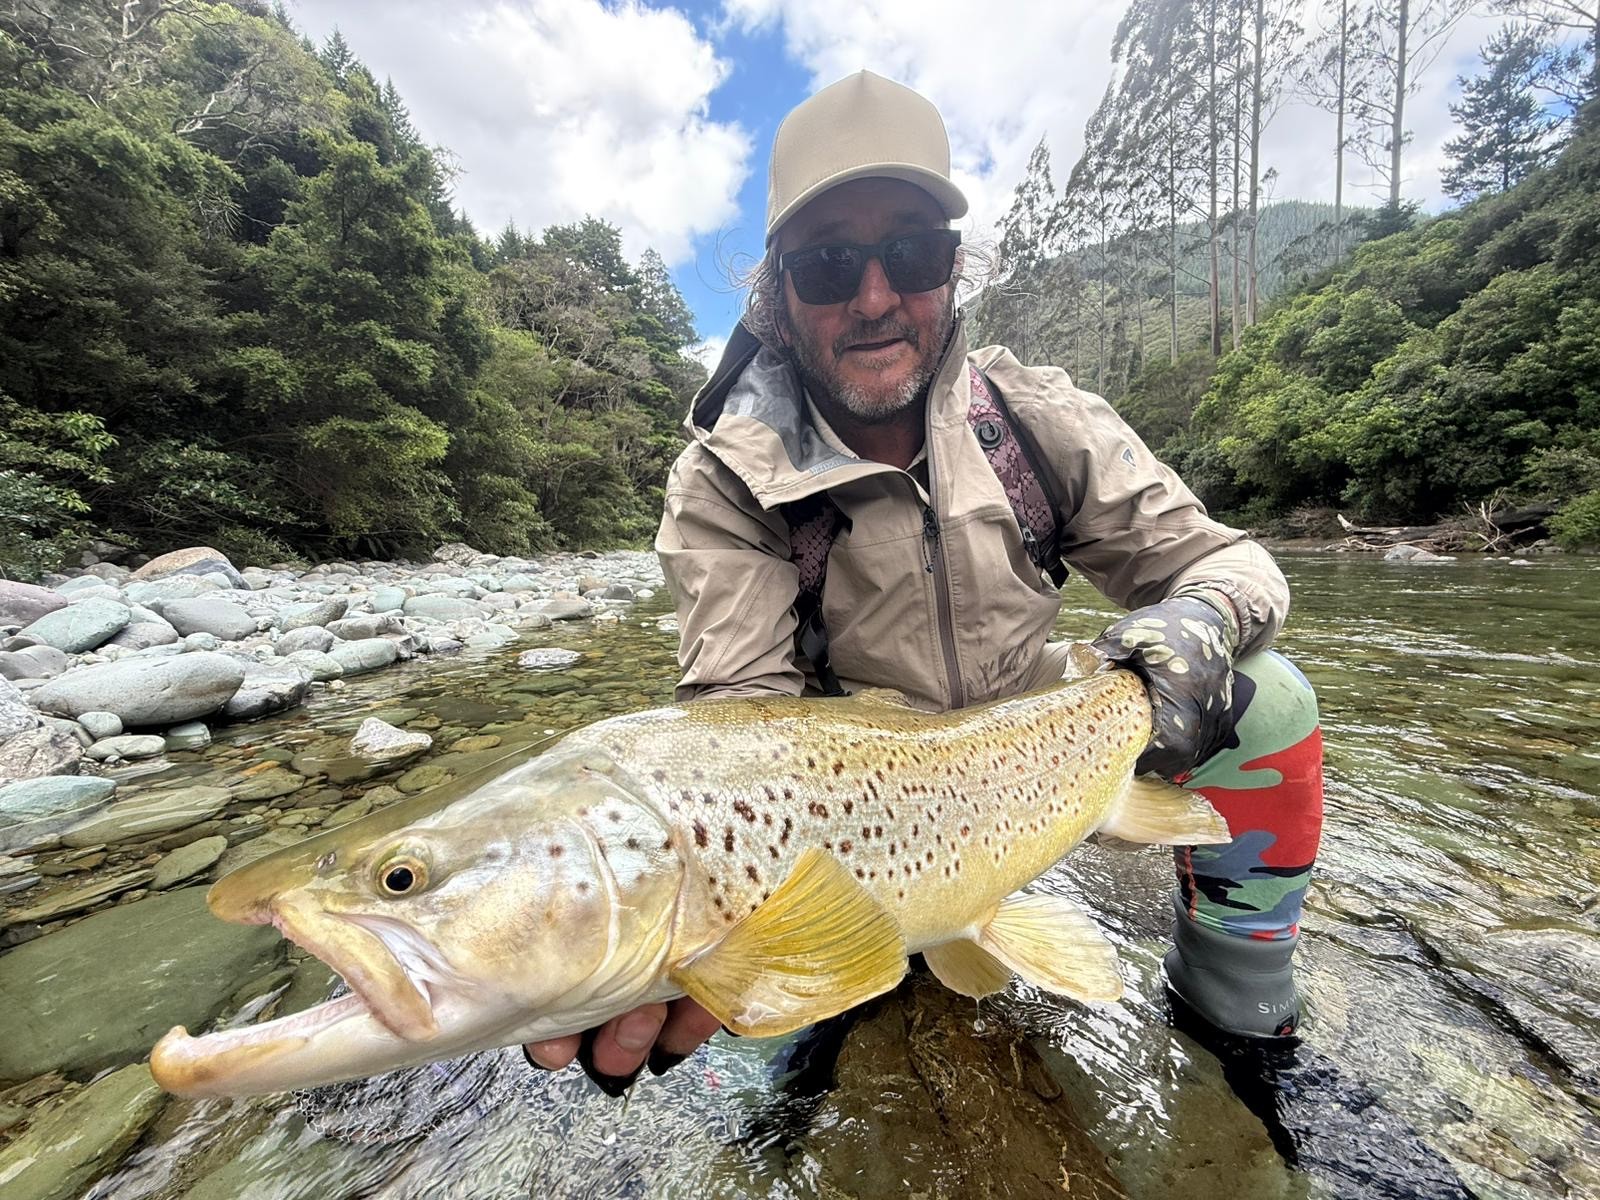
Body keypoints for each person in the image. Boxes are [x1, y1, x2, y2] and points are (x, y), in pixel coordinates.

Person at [525, 69, 1324, 1099]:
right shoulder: (726, 478)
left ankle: (1243, 1017)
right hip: (843, 814)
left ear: (952, 267)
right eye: (826, 266)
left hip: (1031, 746)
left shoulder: (1038, 421)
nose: (873, 298)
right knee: (759, 1033)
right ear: (775, 286)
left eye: (908, 253)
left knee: (1272, 700)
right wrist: (677, 912)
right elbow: (737, 725)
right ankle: (822, 1045)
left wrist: (1196, 623)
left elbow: (1232, 562)